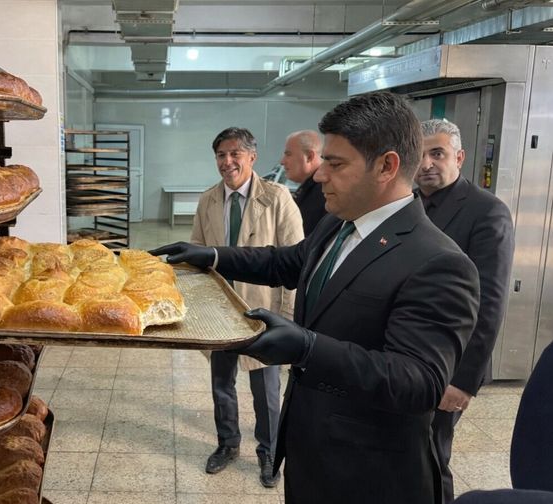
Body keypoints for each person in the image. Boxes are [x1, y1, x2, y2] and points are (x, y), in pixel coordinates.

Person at [150, 91, 481, 504]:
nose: (320, 174)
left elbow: (418, 382)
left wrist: (308, 348)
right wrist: (214, 255)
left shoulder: (438, 262)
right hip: (313, 449)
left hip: (371, 472)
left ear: (386, 165)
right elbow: (286, 262)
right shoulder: (337, 226)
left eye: (336, 163)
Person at [193, 127, 303, 487]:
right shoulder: (208, 200)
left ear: (252, 157)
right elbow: (196, 258)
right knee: (221, 384)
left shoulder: (277, 198)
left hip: (262, 311)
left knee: (266, 390)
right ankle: (227, 444)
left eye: (235, 154)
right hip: (219, 313)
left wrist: (287, 320)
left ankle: (269, 453)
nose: (227, 162)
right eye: (221, 156)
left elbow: (293, 261)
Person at [416, 119, 515, 503]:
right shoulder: (410, 203)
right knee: (409, 450)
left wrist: (463, 380)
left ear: (459, 157)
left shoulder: (486, 212)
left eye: (437, 153)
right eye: (421, 154)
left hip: (450, 365)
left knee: (431, 453)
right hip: (411, 356)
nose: (427, 163)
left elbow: (490, 302)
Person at [280, 130, 328, 236]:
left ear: (309, 157)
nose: (282, 161)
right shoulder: (312, 189)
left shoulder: (323, 193)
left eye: (288, 154)